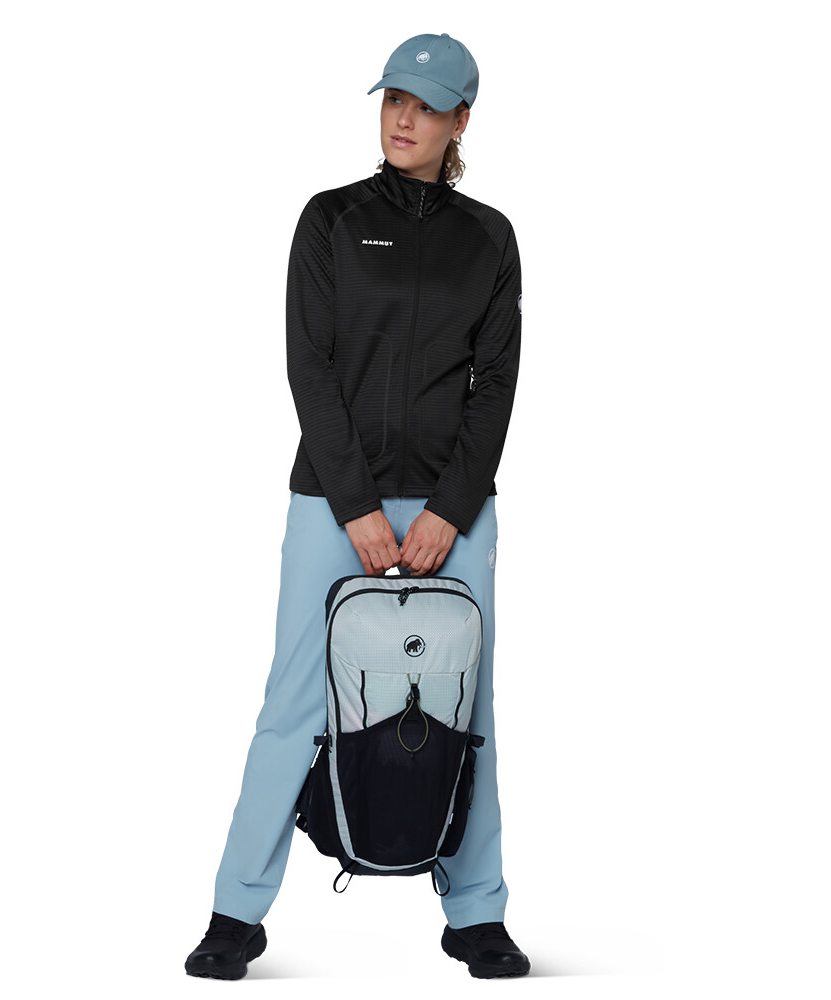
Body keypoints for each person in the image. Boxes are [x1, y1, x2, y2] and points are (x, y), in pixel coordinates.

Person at [184, 32, 528, 980]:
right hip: (333, 504)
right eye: (393, 101)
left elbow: (495, 385)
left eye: (426, 106)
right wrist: (357, 506)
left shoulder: (490, 238)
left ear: (462, 119)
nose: (403, 119)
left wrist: (451, 509)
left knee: (464, 705)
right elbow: (312, 367)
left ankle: (476, 914)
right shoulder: (330, 219)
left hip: (454, 512)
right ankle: (236, 912)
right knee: (293, 705)